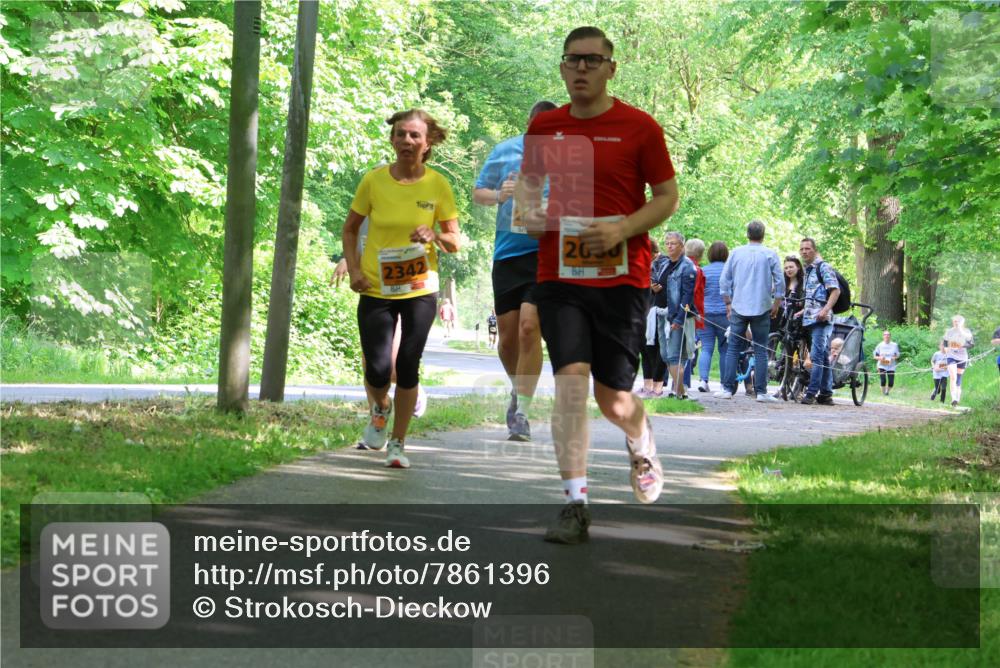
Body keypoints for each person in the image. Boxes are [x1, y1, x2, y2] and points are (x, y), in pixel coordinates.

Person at [517, 26, 680, 544]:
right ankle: (575, 504)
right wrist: (533, 215)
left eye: (592, 60)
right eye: (573, 60)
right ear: (562, 68)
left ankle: (640, 437)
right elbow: (526, 199)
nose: (582, 68)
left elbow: (667, 196)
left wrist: (623, 228)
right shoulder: (545, 127)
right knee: (570, 380)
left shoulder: (639, 127)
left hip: (622, 277)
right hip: (559, 275)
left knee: (613, 399)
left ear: (611, 68)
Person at [342, 108, 460, 469]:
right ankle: (380, 408)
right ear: (392, 140)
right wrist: (354, 270)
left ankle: (398, 442)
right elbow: (350, 228)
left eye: (414, 135)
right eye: (401, 134)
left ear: (427, 143)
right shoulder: (373, 181)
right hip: (376, 287)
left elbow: (454, 241)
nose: (406, 141)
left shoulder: (438, 185)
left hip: (420, 287)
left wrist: (434, 234)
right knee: (378, 369)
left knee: (408, 363)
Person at [473, 101, 557, 440]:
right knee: (507, 340)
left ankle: (522, 410)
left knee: (528, 327)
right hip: (508, 255)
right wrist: (499, 194)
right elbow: (478, 193)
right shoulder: (505, 151)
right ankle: (517, 388)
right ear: (529, 122)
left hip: (545, 255)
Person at [715, 220, 783, 403]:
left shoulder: (736, 253)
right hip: (762, 306)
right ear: (763, 235)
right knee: (761, 349)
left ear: (747, 234)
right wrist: (776, 303)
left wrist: (727, 302)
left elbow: (724, 280)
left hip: (739, 305)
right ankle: (761, 392)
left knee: (733, 347)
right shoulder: (770, 254)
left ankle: (727, 389)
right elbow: (780, 281)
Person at [797, 237, 840, 406]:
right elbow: (813, 297)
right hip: (809, 318)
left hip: (822, 319)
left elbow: (835, 291)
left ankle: (811, 393)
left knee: (815, 356)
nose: (804, 252)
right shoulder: (807, 270)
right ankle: (826, 394)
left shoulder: (823, 267)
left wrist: (825, 310)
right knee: (822, 356)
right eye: (802, 249)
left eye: (807, 248)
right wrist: (803, 311)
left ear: (814, 250)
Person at [654, 232, 698, 400]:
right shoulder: (665, 263)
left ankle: (681, 393)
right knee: (665, 355)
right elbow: (661, 283)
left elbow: (687, 296)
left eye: (673, 243)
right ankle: (681, 393)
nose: (669, 246)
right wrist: (654, 288)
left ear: (682, 246)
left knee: (674, 356)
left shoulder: (687, 267)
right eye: (667, 243)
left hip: (676, 316)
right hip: (661, 314)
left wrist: (679, 319)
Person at [697, 241, 729, 392]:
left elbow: (698, 293)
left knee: (706, 348)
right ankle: (723, 384)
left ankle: (703, 381)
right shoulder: (729, 271)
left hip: (705, 315)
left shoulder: (703, 271)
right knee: (725, 350)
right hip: (725, 315)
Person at [639, 239, 666, 397]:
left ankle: (657, 386)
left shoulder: (663, 263)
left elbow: (659, 285)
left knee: (655, 349)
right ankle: (647, 385)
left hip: (656, 311)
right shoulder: (645, 264)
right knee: (644, 348)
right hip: (643, 310)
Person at [681, 238, 706, 392]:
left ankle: (680, 383)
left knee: (681, 346)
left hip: (681, 311)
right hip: (691, 313)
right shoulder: (696, 270)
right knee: (689, 347)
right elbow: (694, 293)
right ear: (701, 255)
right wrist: (696, 313)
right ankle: (683, 383)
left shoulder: (680, 266)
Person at [943, 315, 974, 408]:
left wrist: (961, 345)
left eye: (958, 321)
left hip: (962, 357)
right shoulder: (949, 331)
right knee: (953, 376)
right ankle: (953, 399)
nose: (956, 323)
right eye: (955, 321)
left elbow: (971, 344)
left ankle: (957, 399)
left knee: (958, 378)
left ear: (962, 322)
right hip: (951, 356)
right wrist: (946, 349)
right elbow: (945, 342)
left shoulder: (967, 332)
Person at [872, 330, 900, 396]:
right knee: (883, 380)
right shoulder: (879, 345)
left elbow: (898, 355)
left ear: (890, 336)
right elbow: (875, 356)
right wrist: (880, 358)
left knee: (891, 382)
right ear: (883, 336)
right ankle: (884, 393)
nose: (887, 336)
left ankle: (887, 391)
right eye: (885, 335)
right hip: (882, 365)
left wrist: (894, 358)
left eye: (888, 335)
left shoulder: (894, 345)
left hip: (891, 366)